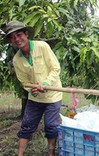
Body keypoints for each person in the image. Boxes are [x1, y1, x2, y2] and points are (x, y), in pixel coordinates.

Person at [3, 20, 62, 156]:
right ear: (11, 41)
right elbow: (24, 82)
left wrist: (46, 84)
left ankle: (51, 153)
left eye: (19, 35)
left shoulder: (42, 46)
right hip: (35, 98)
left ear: (26, 34)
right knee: (27, 125)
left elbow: (55, 68)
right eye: (13, 37)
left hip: (53, 95)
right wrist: (33, 90)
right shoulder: (17, 59)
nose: (17, 39)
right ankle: (20, 154)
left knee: (51, 126)